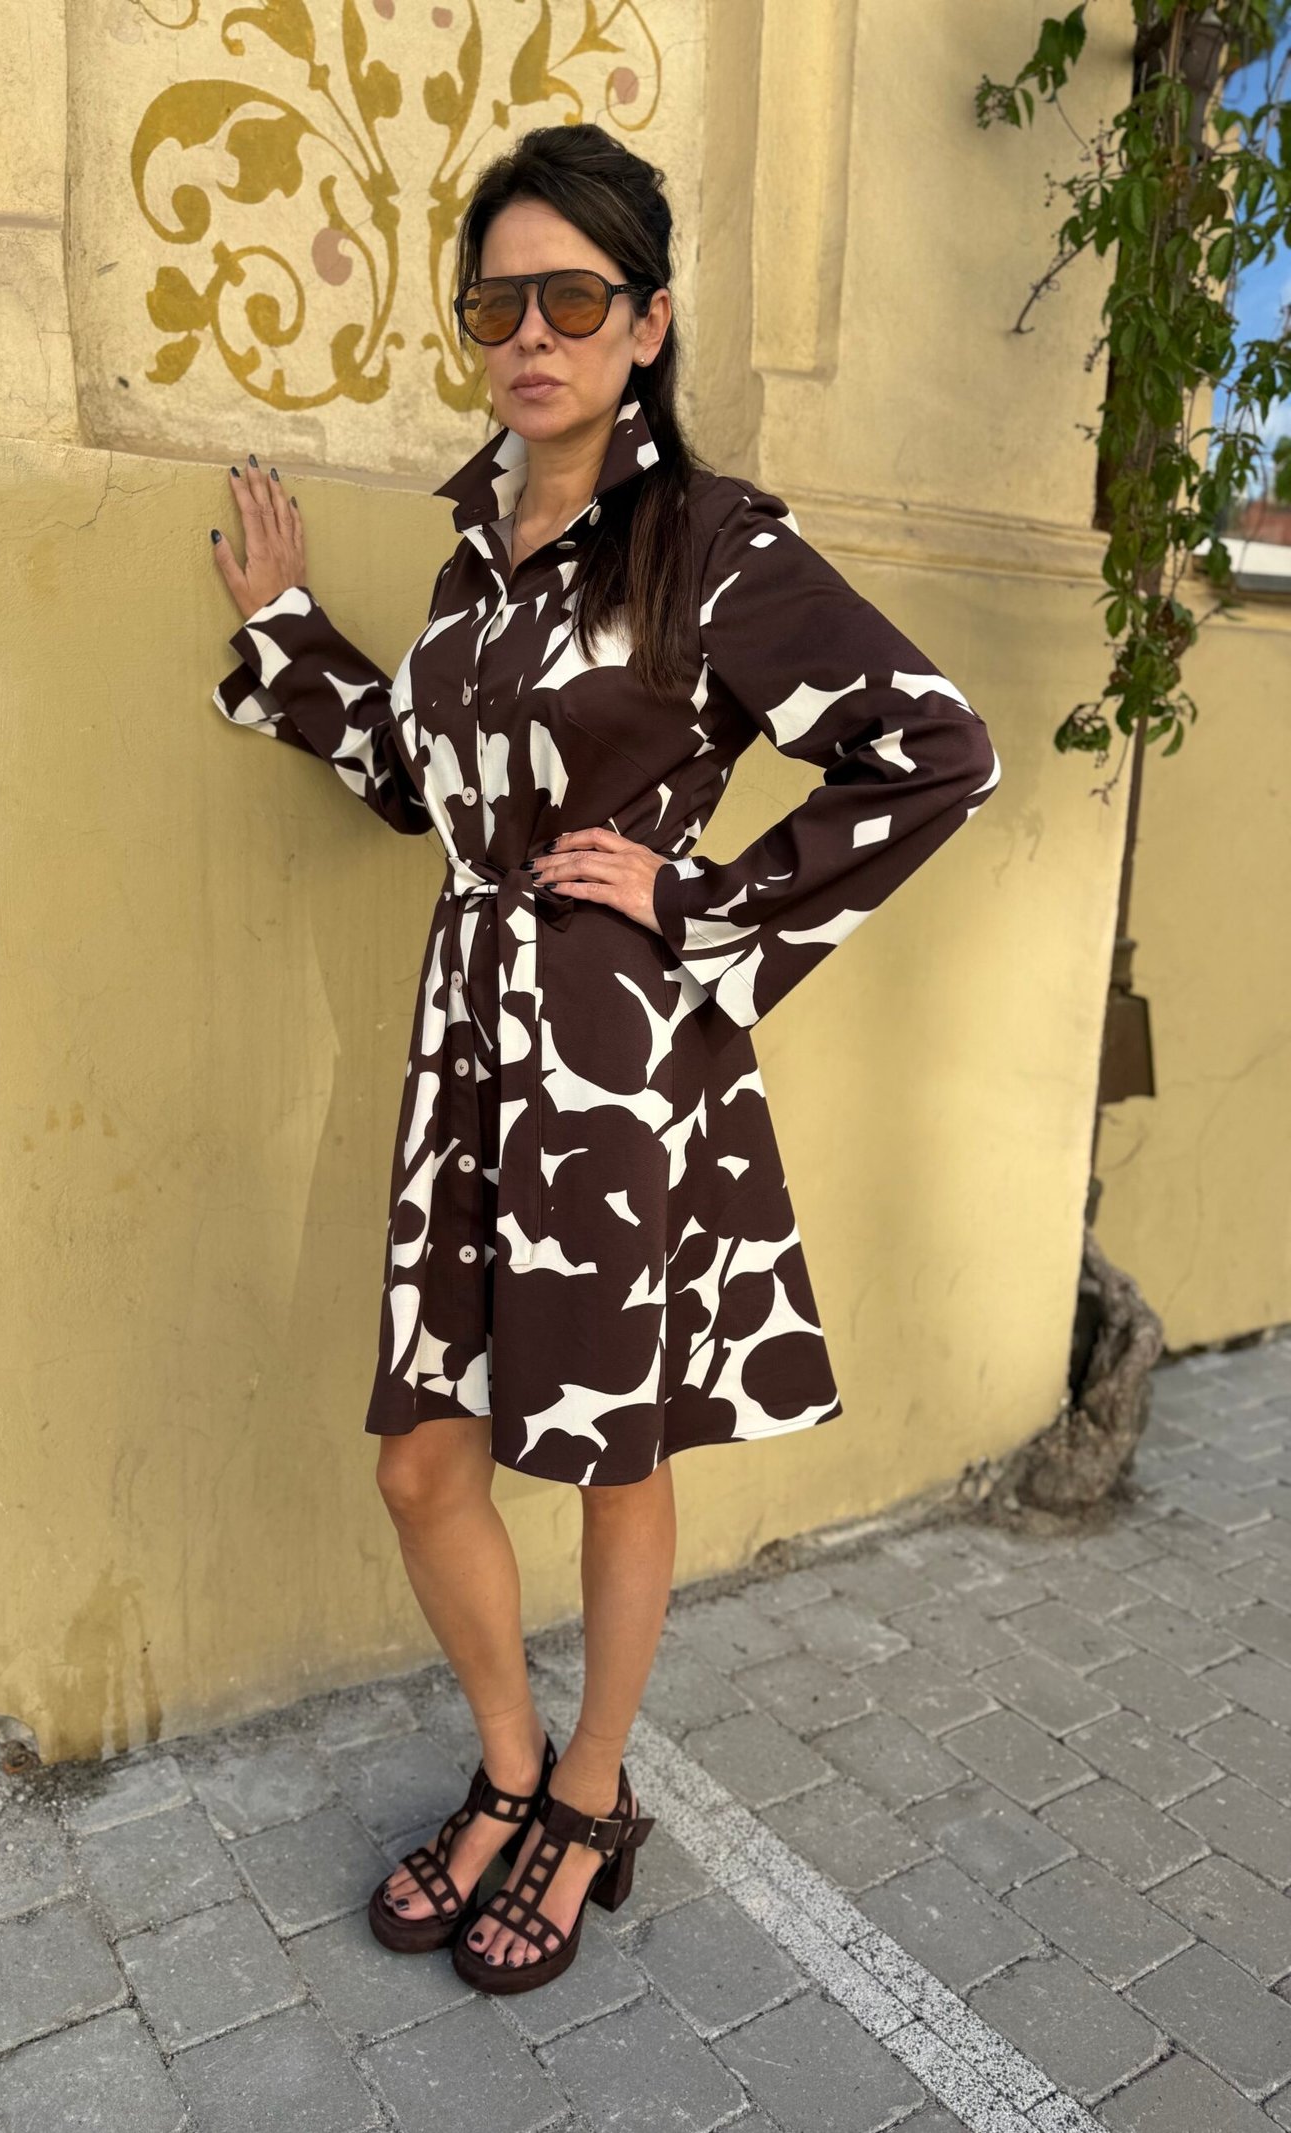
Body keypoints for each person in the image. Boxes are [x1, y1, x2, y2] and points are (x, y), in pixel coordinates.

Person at [208, 124, 1000, 1995]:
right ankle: (508, 1761)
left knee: (611, 1449)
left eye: (572, 299)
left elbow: (933, 749)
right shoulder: (476, 555)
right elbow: (425, 785)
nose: (531, 338)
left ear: (647, 323)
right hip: (469, 1059)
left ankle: (587, 1791)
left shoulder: (712, 546)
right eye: (497, 305)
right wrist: (287, 639)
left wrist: (702, 899)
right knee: (425, 1461)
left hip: (615, 1064)